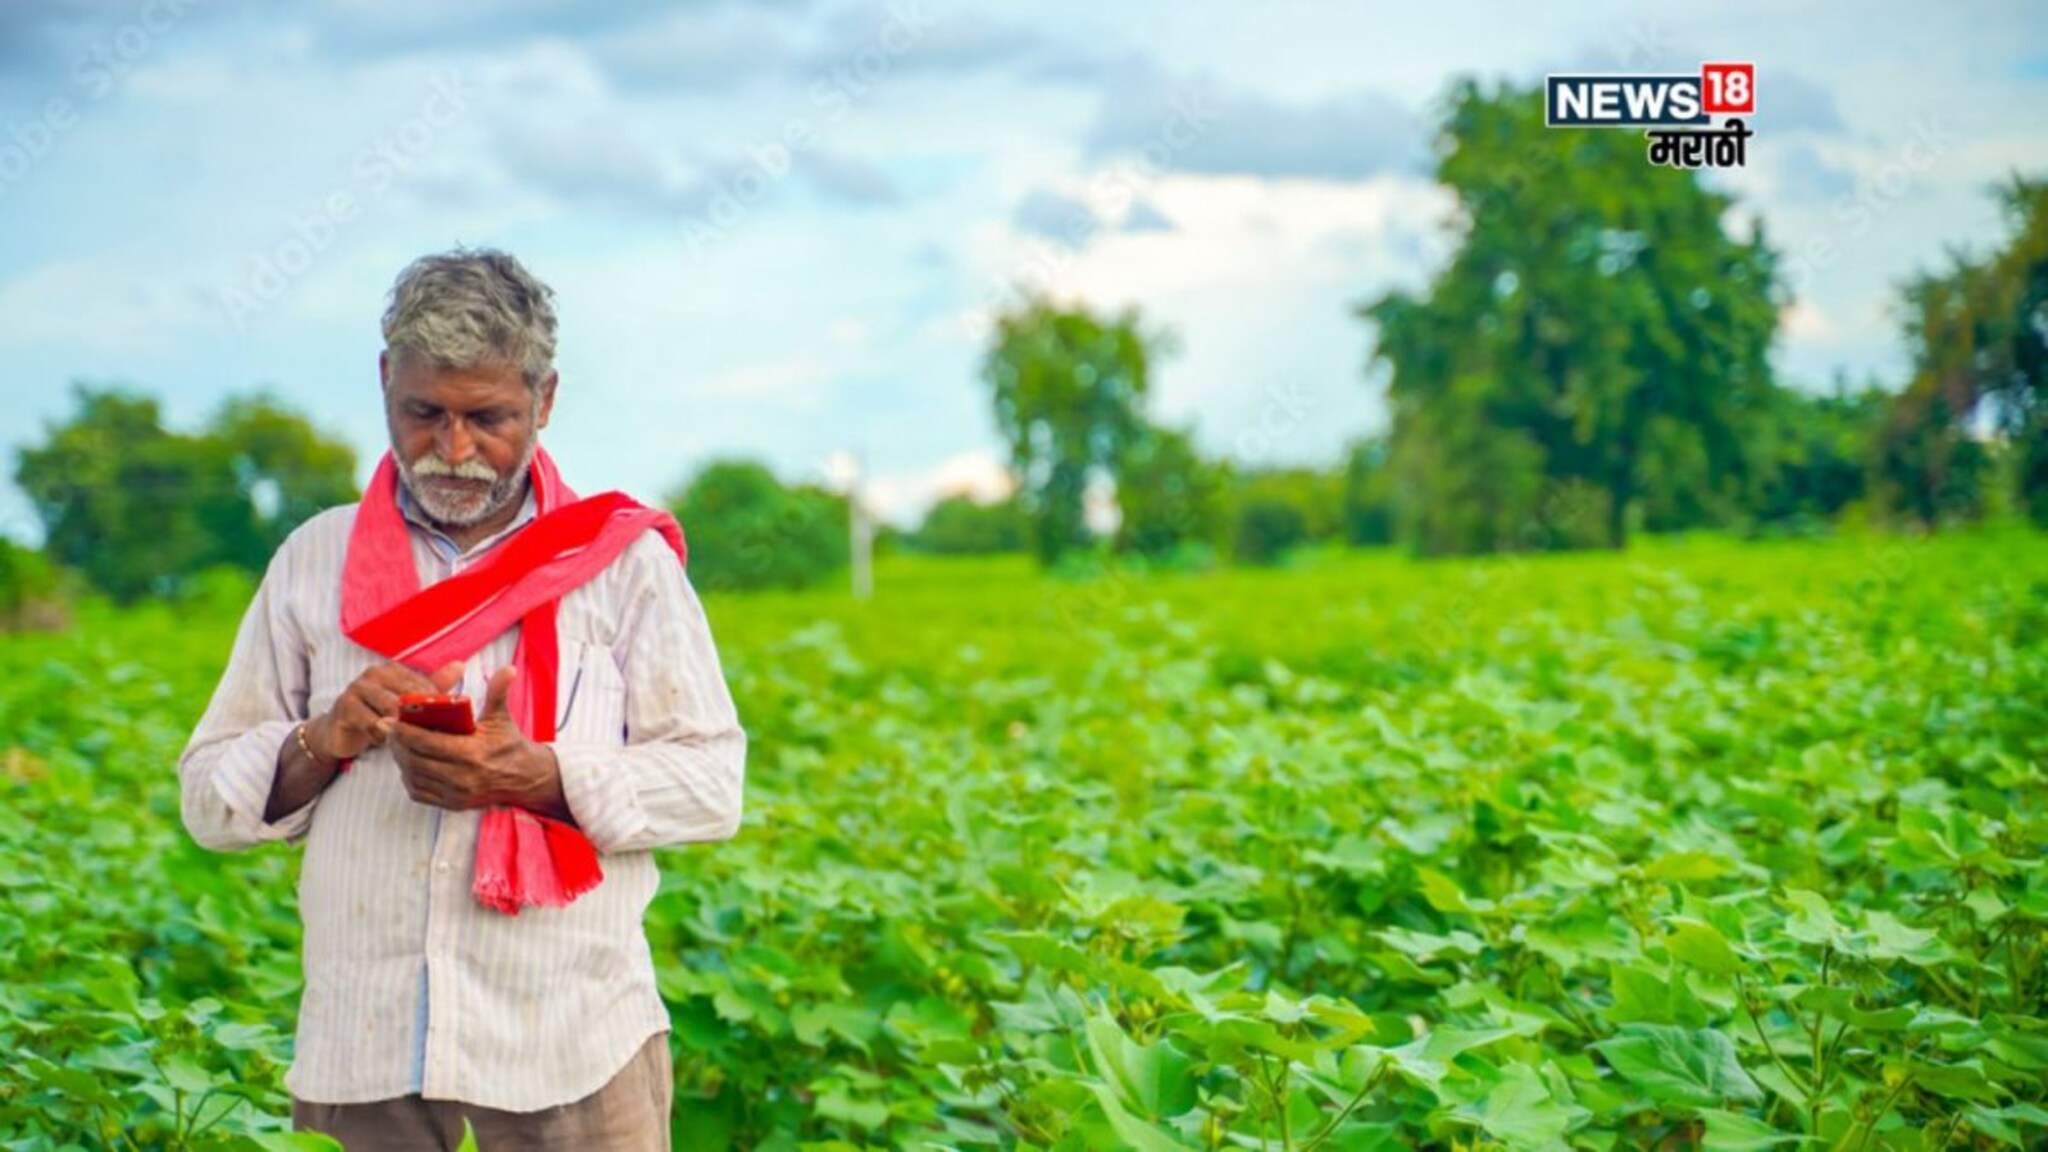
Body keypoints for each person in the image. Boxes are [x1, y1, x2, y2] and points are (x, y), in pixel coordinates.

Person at [179, 248, 747, 1151]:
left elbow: (714, 784)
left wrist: (540, 776)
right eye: (423, 413)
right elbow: (208, 797)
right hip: (361, 1063)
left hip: (572, 1055)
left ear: (545, 402)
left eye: (488, 418)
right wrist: (321, 740)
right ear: (384, 385)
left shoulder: (623, 568)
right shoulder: (312, 561)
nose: (452, 450)